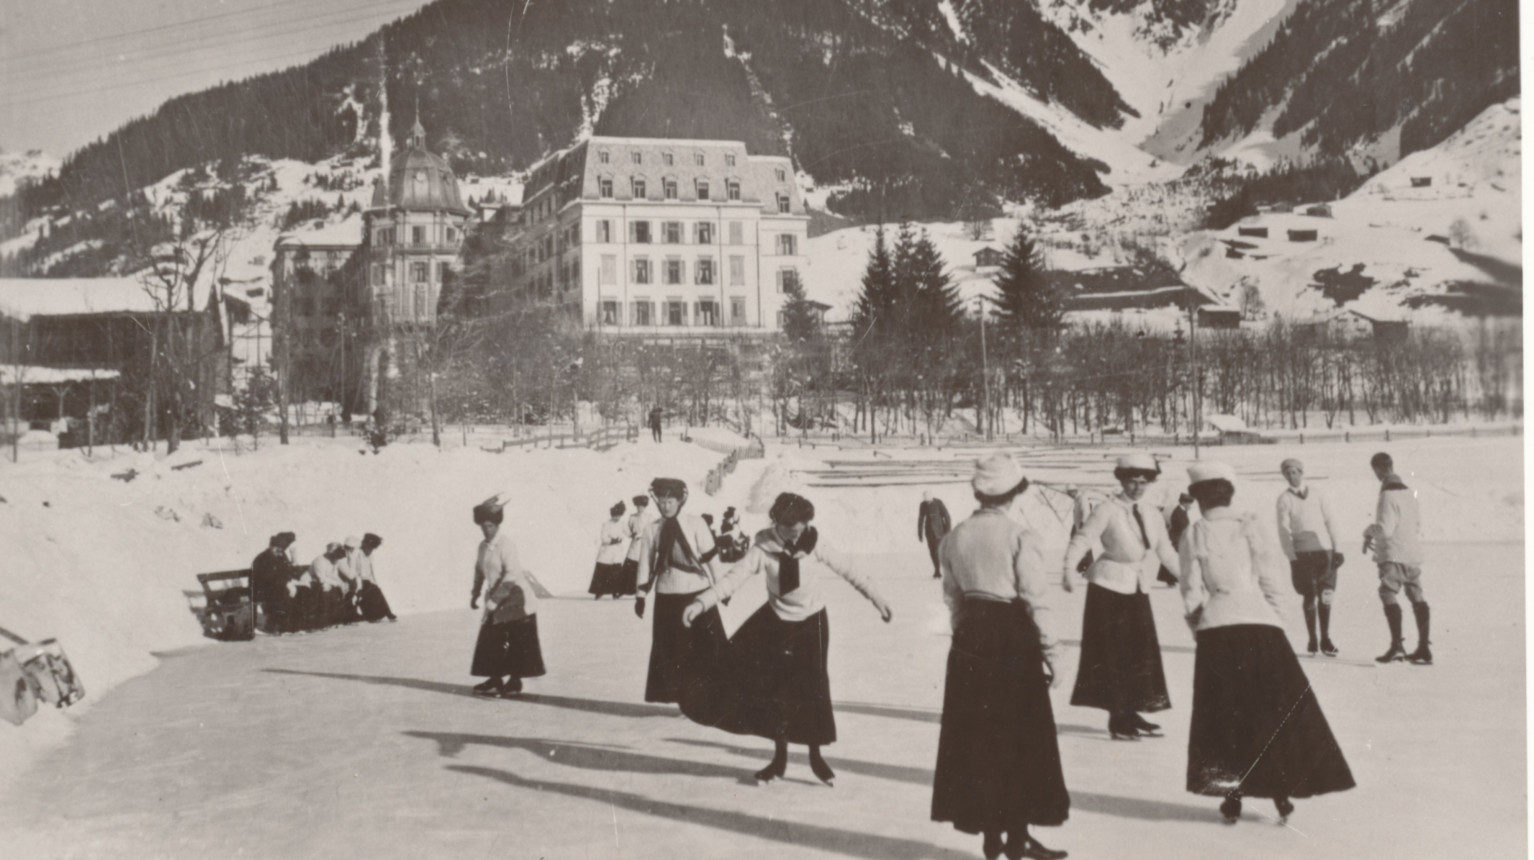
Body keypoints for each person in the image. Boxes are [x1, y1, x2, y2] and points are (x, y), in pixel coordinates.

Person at [1179, 461, 1355, 824]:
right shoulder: (1251, 526)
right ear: (1229, 492)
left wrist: (1201, 627)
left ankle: (1233, 794)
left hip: (1219, 628)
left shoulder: (1194, 533)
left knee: (1225, 716)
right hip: (1262, 628)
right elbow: (1272, 582)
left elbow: (1191, 591)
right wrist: (1275, 624)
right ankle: (1279, 791)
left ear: (1198, 498)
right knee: (1271, 711)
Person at [682, 492, 892, 785]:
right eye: (790, 531)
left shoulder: (814, 543)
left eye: (801, 530)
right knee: (776, 691)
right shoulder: (762, 549)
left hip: (812, 623)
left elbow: (849, 569)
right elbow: (733, 578)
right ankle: (779, 759)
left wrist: (877, 598)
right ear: (777, 523)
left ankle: (815, 757)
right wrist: (701, 602)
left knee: (812, 690)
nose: (796, 537)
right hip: (777, 623)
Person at [932, 454, 1069, 860]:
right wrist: (1054, 653)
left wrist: (966, 637)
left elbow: (952, 599)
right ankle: (1016, 838)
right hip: (1012, 640)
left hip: (970, 640)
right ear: (1015, 492)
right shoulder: (1020, 536)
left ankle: (994, 838)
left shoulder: (954, 537)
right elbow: (1034, 600)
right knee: (1019, 740)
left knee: (979, 741)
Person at [1061, 454, 1178, 741]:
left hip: (1137, 587)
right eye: (1132, 482)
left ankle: (1131, 710)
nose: (1137, 488)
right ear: (1122, 481)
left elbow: (1165, 550)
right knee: (1113, 655)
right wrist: (1067, 568)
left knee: (1139, 653)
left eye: (1143, 482)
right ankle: (1118, 716)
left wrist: (1192, 580)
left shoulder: (1151, 512)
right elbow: (1083, 538)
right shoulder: (1107, 509)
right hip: (1107, 589)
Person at [635, 478, 717, 704]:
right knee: (672, 651)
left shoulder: (696, 523)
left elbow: (712, 559)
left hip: (697, 594)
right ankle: (680, 697)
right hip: (667, 597)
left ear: (680, 500)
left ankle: (706, 698)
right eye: (661, 501)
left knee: (703, 649)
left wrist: (720, 590)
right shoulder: (652, 529)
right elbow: (645, 563)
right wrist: (640, 595)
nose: (665, 506)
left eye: (670, 500)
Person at [469, 495, 546, 697]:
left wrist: (494, 601)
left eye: (490, 526)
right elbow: (479, 570)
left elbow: (511, 575)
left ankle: (514, 681)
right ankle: (494, 679)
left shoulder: (506, 545)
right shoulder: (482, 547)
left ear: (497, 525)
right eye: (483, 526)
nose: (486, 530)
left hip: (516, 601)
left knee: (517, 642)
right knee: (490, 641)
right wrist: (475, 593)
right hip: (496, 601)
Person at [1364, 452, 1430, 664]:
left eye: (1375, 470)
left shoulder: (1387, 495)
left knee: (1387, 592)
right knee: (1416, 595)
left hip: (1394, 554)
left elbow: (1385, 529)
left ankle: (1397, 645)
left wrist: (1368, 531)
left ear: (1380, 469)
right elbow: (1417, 523)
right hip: (1412, 553)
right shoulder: (1409, 492)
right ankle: (1423, 647)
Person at [1275, 458, 1342, 656]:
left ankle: (1326, 639)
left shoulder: (1319, 494)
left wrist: (1337, 549)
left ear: (1301, 472)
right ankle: (1312, 638)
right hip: (1302, 554)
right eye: (1287, 473)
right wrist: (1291, 556)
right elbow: (1283, 530)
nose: (1292, 476)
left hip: (1325, 551)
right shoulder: (1284, 499)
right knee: (1309, 595)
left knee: (1327, 594)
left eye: (1295, 472)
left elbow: (1331, 521)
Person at [251, 532, 298, 633]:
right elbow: (268, 578)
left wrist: (294, 559)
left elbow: (288, 572)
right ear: (272, 547)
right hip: (262, 589)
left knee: (302, 591)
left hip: (277, 586)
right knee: (283, 593)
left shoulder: (281, 556)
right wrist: (286, 583)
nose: (280, 552)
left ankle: (296, 625)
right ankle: (282, 627)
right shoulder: (263, 558)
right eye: (278, 549)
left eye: (281, 550)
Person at [588, 502, 630, 599]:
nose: (617, 518)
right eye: (615, 516)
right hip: (606, 551)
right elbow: (603, 538)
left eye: (618, 516)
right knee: (602, 571)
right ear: (612, 515)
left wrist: (622, 537)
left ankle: (615, 591)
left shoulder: (623, 524)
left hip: (616, 552)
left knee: (616, 572)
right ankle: (599, 592)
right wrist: (612, 540)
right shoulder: (606, 524)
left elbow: (628, 533)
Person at [354, 533, 397, 622]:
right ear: (364, 545)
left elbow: (370, 572)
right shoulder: (357, 554)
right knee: (374, 590)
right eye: (370, 548)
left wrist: (374, 583)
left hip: (367, 581)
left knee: (376, 589)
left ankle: (383, 613)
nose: (371, 551)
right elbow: (356, 572)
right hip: (357, 580)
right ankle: (387, 613)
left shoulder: (369, 556)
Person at [307, 542, 350, 628]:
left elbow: (334, 575)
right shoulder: (319, 561)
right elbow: (321, 578)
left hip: (328, 583)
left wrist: (342, 584)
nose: (336, 559)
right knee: (327, 592)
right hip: (314, 583)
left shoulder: (334, 561)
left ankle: (336, 620)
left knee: (338, 591)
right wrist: (337, 584)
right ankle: (322, 622)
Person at [619, 495, 652, 597]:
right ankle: (622, 589)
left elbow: (649, 530)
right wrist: (630, 534)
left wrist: (640, 534)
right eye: (638, 506)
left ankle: (640, 590)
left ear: (645, 506)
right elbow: (628, 530)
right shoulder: (632, 517)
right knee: (629, 565)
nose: (639, 508)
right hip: (634, 544)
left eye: (641, 506)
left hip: (643, 543)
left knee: (641, 567)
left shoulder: (649, 517)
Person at [918, 491, 953, 579]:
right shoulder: (923, 505)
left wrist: (948, 531)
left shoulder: (938, 503)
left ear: (932, 498)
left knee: (938, 551)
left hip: (939, 532)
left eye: (929, 501)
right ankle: (937, 570)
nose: (928, 502)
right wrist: (920, 533)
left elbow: (947, 516)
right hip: (929, 533)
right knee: (932, 551)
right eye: (926, 501)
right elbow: (921, 519)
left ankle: (941, 570)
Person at [1064, 487, 1094, 575]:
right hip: (1078, 526)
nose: (1069, 495)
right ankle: (1081, 566)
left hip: (1083, 526)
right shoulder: (1077, 499)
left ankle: (1089, 567)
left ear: (1074, 491)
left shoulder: (1082, 499)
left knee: (1085, 548)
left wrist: (1082, 525)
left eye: (1070, 493)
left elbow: (1086, 512)